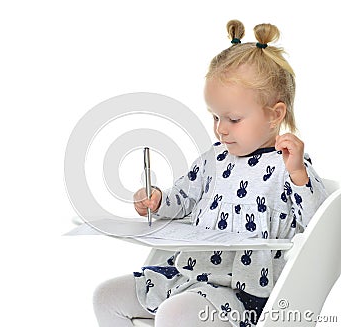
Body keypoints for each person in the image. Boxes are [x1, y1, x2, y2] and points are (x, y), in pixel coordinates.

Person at [93, 20, 328, 327]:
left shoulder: (287, 166)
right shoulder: (214, 159)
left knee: (174, 314)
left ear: (275, 115)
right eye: (215, 116)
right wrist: (158, 199)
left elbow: (318, 225)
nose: (221, 128)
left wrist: (298, 173)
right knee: (106, 297)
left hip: (242, 292)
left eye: (233, 118)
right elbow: (182, 199)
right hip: (189, 274)